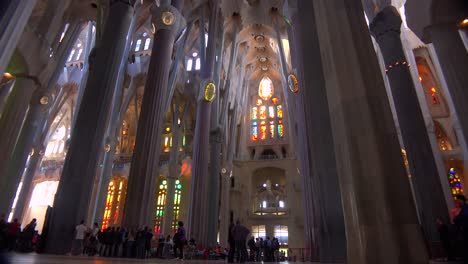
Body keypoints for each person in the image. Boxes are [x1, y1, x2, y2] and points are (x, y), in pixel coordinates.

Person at [453, 195, 468, 264]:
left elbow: (464, 216)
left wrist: (456, 218)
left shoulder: (465, 208)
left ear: (461, 200)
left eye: (458, 200)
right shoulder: (463, 208)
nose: (457, 202)